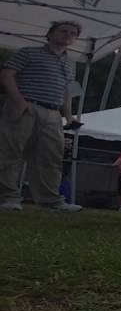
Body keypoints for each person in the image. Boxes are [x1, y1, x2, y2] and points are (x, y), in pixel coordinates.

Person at [0, 20, 84, 212]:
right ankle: (7, 197)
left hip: (53, 113)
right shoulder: (28, 52)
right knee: (9, 152)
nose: (67, 35)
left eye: (72, 33)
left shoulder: (70, 63)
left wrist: (69, 117)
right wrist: (19, 101)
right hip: (26, 106)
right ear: (50, 34)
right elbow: (6, 75)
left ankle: (51, 201)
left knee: (50, 157)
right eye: (63, 31)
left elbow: (68, 91)